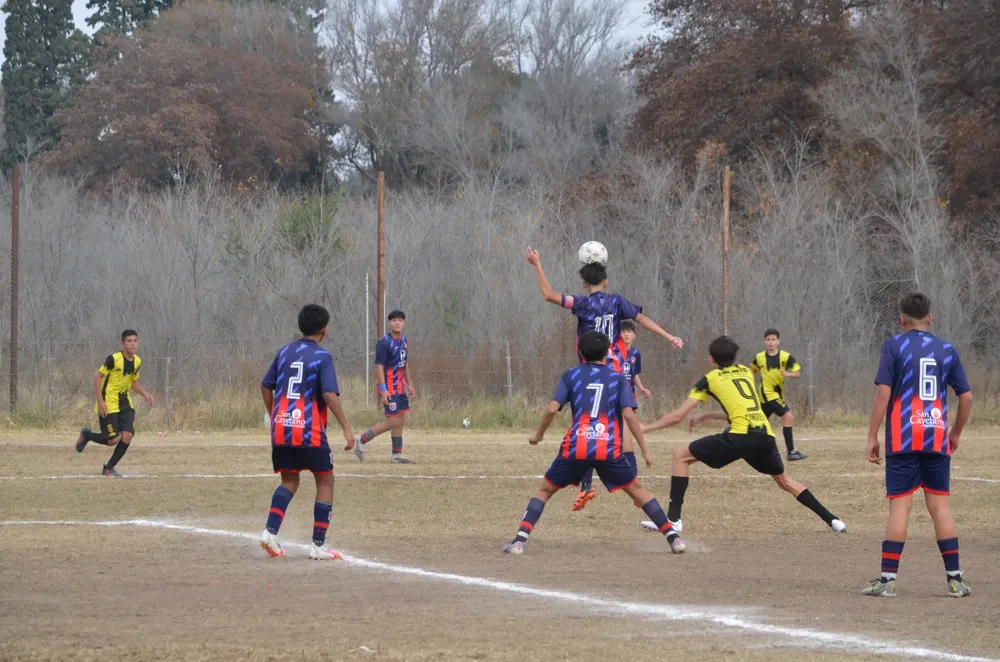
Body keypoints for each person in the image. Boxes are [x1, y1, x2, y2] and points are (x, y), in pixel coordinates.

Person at [525, 246, 683, 510]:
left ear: (584, 282)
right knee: (620, 423)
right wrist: (668, 336)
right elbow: (641, 318)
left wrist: (537, 264)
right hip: (614, 375)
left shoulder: (582, 302)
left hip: (587, 376)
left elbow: (549, 295)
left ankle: (586, 485)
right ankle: (632, 485)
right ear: (606, 281)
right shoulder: (617, 302)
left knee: (585, 425)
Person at [503, 331, 686, 555]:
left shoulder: (571, 375)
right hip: (607, 448)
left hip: (576, 447)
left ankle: (520, 541)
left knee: (545, 490)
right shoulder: (618, 378)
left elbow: (552, 408)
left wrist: (538, 435)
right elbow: (629, 416)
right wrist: (645, 451)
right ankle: (674, 539)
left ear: (580, 351)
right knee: (637, 490)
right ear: (608, 352)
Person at [643, 335, 846, 537]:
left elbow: (677, 416)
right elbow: (742, 409)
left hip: (740, 436)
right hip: (765, 434)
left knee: (681, 456)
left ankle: (673, 520)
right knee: (785, 481)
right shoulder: (745, 373)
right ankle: (833, 520)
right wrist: (707, 415)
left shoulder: (709, 379)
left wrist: (645, 429)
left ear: (711, 360)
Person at [862, 293, 973, 598]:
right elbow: (966, 397)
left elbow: (883, 394)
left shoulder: (893, 345)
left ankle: (887, 582)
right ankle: (955, 580)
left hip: (903, 438)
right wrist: (955, 433)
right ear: (930, 317)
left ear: (902, 319)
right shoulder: (947, 349)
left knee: (900, 508)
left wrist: (872, 435)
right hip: (936, 436)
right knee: (941, 509)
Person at [258, 304, 355, 560]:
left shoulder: (284, 352)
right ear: (324, 330)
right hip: (308, 430)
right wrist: (346, 428)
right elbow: (329, 395)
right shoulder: (322, 357)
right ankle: (318, 545)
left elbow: (265, 386)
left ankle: (270, 532)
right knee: (325, 479)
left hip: (281, 428)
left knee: (289, 480)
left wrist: (275, 413)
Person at [575, 319, 652, 510]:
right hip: (609, 399)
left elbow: (633, 374)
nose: (625, 335)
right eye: (622, 331)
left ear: (634, 334)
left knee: (626, 444)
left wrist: (641, 388)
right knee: (594, 439)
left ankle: (636, 491)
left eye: (629, 331)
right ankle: (586, 487)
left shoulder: (634, 354)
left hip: (626, 399)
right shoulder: (610, 351)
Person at [74, 330, 154, 477]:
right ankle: (87, 435)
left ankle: (108, 468)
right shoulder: (113, 359)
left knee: (127, 436)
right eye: (129, 341)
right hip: (109, 401)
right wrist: (100, 401)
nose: (132, 344)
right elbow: (98, 376)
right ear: (123, 343)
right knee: (113, 440)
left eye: (135, 341)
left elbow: (132, 382)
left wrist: (145, 395)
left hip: (125, 402)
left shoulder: (137, 361)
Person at [354, 310, 416, 464]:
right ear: (389, 323)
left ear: (404, 323)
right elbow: (379, 367)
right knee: (394, 421)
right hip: (390, 388)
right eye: (394, 320)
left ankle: (397, 454)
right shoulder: (384, 343)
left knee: (400, 419)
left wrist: (409, 384)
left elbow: (404, 364)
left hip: (400, 388)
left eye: (400, 320)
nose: (397, 322)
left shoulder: (404, 340)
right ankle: (361, 440)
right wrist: (383, 389)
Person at [751, 328, 806, 461]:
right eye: (768, 340)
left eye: (773, 339)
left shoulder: (785, 356)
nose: (770, 342)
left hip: (775, 395)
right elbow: (751, 372)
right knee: (788, 416)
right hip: (768, 394)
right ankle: (791, 451)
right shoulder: (759, 357)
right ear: (765, 342)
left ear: (778, 341)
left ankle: (742, 444)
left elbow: (797, 372)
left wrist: (788, 374)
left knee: (757, 424)